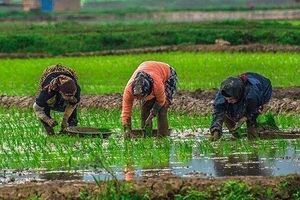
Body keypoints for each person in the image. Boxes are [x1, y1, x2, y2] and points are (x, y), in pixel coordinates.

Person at [121, 61, 177, 137]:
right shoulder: (128, 90)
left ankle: (162, 137)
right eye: (137, 97)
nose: (139, 99)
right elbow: (126, 112)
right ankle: (147, 136)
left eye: (142, 97)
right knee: (145, 108)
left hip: (167, 74)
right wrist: (127, 130)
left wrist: (151, 116)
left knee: (162, 109)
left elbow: (161, 101)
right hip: (149, 70)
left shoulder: (157, 85)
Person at [210, 72, 272, 140]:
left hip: (262, 87)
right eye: (226, 99)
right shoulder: (223, 94)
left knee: (251, 129)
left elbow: (254, 109)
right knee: (224, 110)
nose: (228, 101)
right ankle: (235, 133)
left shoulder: (252, 95)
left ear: (237, 95)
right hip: (240, 92)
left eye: (231, 99)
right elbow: (218, 113)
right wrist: (216, 130)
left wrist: (245, 117)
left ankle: (261, 128)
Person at [33, 64, 81, 135]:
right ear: (60, 92)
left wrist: (65, 120)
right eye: (68, 95)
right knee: (45, 108)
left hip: (66, 84)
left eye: (72, 95)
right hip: (51, 89)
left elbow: (72, 105)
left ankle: (70, 132)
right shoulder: (47, 92)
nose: (70, 97)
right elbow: (37, 108)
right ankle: (50, 134)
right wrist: (48, 120)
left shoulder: (76, 89)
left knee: (72, 118)